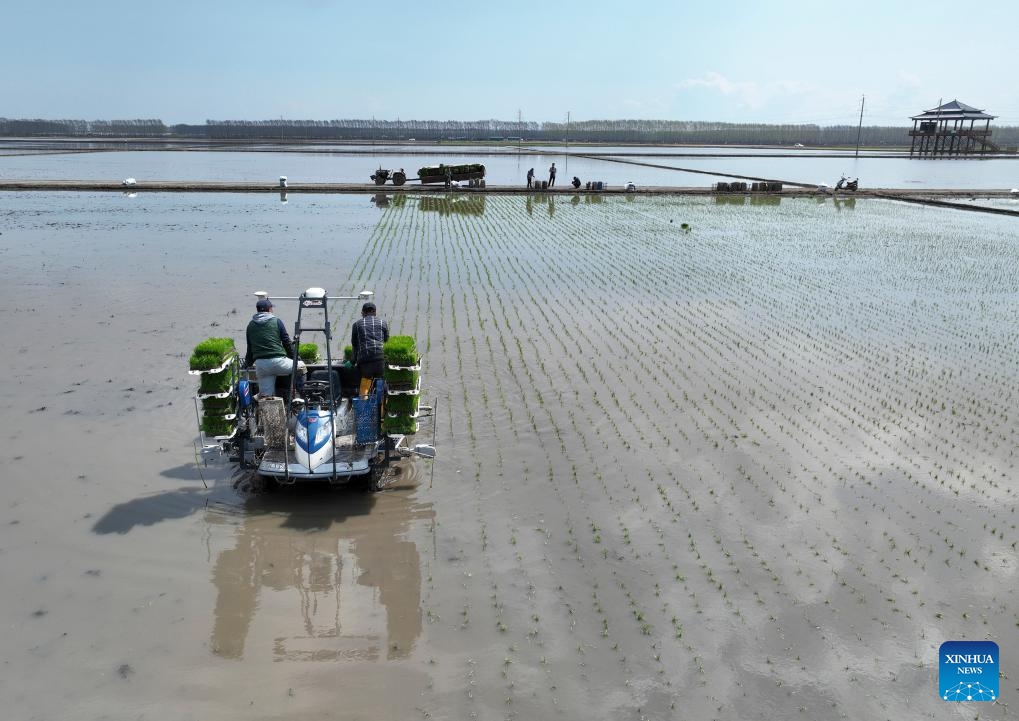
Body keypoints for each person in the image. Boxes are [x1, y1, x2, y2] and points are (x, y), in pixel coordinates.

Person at [245, 298, 304, 398]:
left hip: (262, 366)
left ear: (257, 310)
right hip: (279, 363)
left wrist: (248, 364)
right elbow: (287, 343)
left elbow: (250, 349)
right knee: (301, 367)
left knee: (266, 398)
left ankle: (268, 411)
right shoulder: (276, 321)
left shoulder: (250, 326)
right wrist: (295, 357)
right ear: (269, 309)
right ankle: (301, 396)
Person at [351, 301, 389, 398]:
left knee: (365, 380)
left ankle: (363, 406)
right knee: (382, 379)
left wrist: (352, 361)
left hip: (365, 361)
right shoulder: (383, 323)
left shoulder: (356, 325)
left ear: (363, 313)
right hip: (380, 358)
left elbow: (355, 344)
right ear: (375, 312)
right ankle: (384, 404)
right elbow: (387, 341)